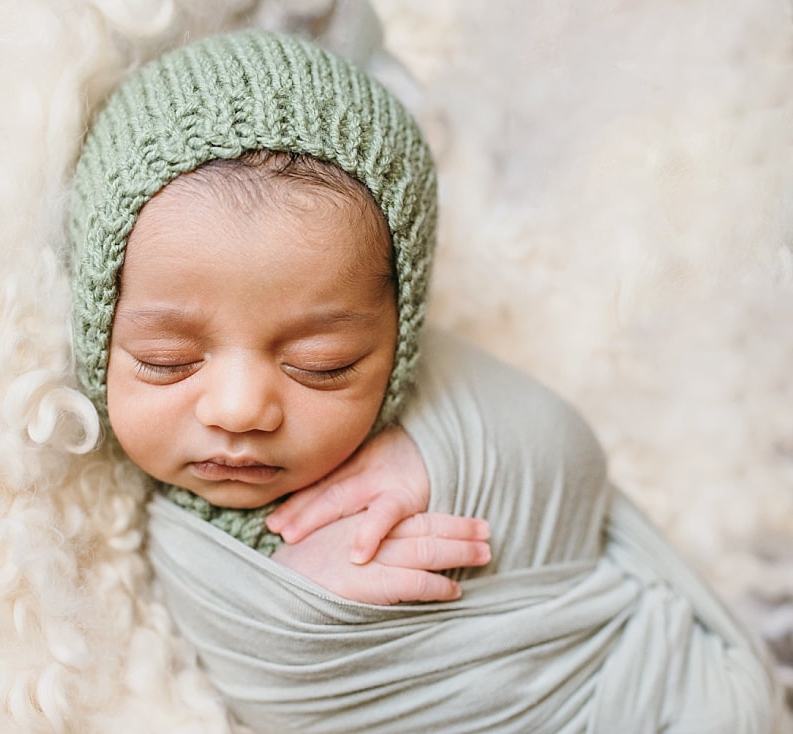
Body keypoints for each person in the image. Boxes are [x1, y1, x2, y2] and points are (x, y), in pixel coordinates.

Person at [66, 29, 787, 734]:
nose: (241, 408)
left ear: (400, 339)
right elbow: (271, 687)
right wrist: (311, 612)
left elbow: (571, 462)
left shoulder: (444, 397)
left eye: (323, 365)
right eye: (166, 360)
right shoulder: (139, 547)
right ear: (100, 329)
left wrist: (440, 457)